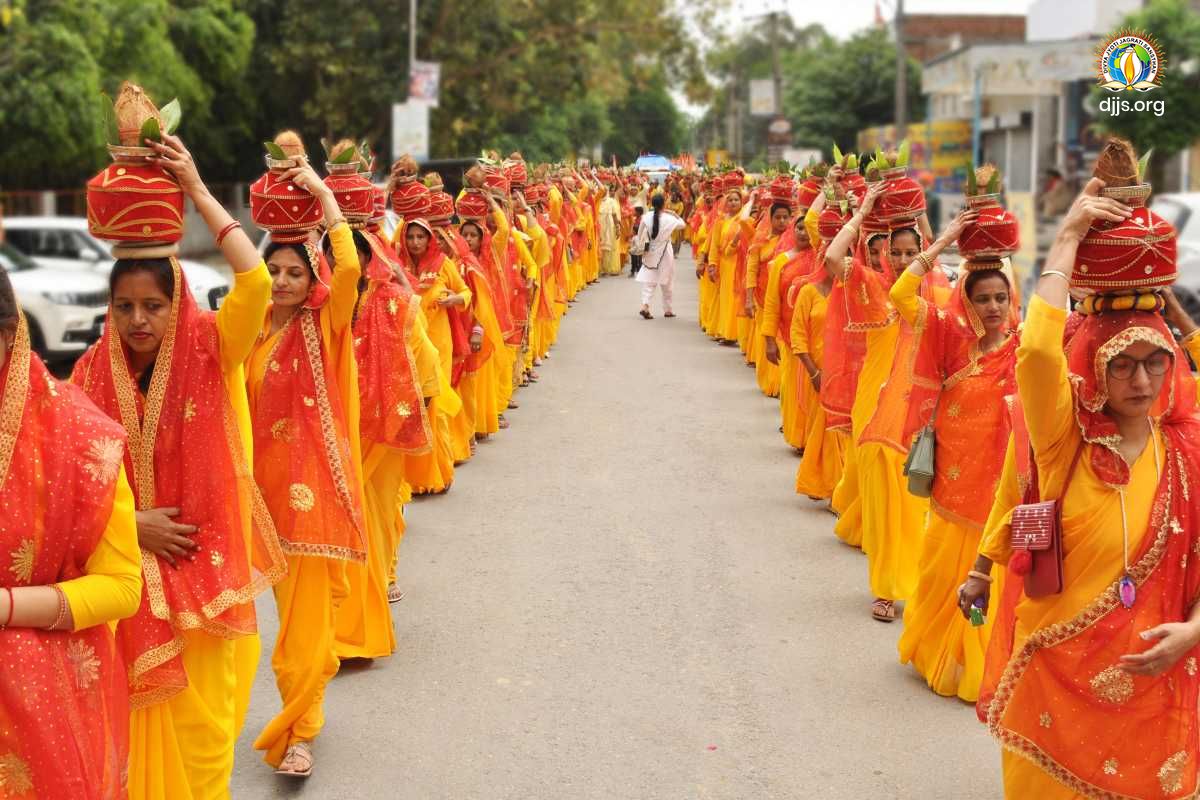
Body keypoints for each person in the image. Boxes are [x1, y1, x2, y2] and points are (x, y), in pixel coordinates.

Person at [964, 178, 1200, 798]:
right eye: (1122, 362)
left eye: (1155, 362)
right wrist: (1067, 237)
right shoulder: (1064, 438)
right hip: (1055, 675)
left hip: (1152, 681)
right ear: (1094, 363)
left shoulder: (1187, 452)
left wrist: (1194, 632)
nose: (1141, 380)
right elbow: (1038, 351)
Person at [76, 132, 287, 799]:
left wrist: (195, 188)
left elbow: (254, 280)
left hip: (207, 582)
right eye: (125, 307)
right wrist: (131, 524)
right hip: (129, 586)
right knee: (136, 757)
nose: (139, 320)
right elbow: (71, 478)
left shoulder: (211, 349)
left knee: (203, 749)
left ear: (180, 303)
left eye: (154, 306)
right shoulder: (86, 375)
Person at [0, 266, 141, 800]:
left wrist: (6, 607)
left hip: (40, 698)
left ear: (10, 335)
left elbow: (121, 586)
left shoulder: (77, 437)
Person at [248, 161, 367, 777]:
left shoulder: (328, 325)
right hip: (256, 502)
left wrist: (322, 195)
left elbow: (348, 267)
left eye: (295, 271)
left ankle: (299, 732)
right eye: (275, 270)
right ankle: (302, 706)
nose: (283, 280)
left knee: (304, 627)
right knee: (277, 624)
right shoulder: (250, 330)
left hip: (313, 499)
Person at [890, 213, 1024, 702]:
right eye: (982, 297)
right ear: (966, 298)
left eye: (1001, 297)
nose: (992, 306)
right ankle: (933, 650)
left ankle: (975, 665)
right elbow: (901, 295)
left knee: (989, 573)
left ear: (1012, 298)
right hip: (952, 478)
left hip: (998, 487)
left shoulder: (1024, 348)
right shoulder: (949, 333)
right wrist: (942, 240)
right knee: (939, 569)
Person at [632, 193, 685, 319]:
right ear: (664, 204)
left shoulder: (646, 217)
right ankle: (668, 310)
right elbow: (683, 224)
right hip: (666, 252)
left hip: (651, 251)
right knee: (667, 281)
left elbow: (640, 235)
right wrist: (673, 213)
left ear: (651, 203)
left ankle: (645, 305)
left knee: (649, 281)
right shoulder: (670, 219)